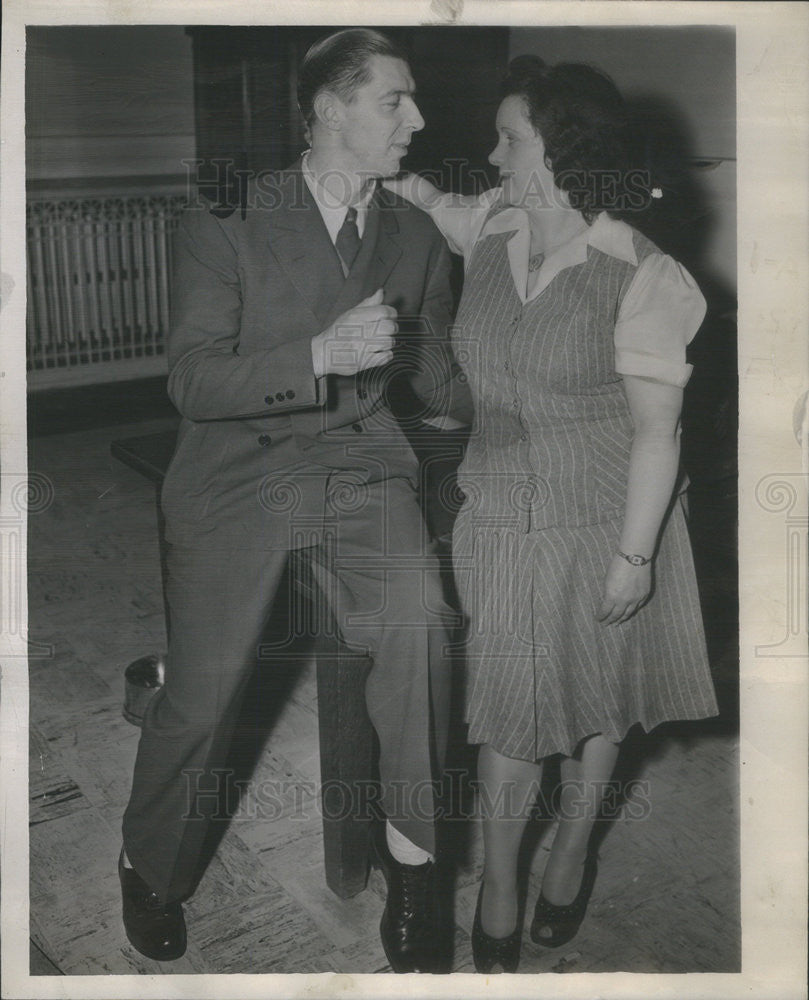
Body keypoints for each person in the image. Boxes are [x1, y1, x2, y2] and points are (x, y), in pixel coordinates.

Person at [118, 28, 471, 974]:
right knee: (206, 696)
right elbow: (193, 382)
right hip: (237, 465)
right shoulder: (229, 215)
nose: (418, 119)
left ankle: (415, 864)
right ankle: (148, 861)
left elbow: (438, 374)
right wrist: (316, 356)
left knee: (423, 630)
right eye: (394, 100)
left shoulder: (417, 234)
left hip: (359, 463)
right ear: (327, 108)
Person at [385, 55, 719, 972]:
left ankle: (570, 854)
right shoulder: (492, 225)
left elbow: (659, 433)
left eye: (509, 139)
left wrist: (636, 556)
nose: (490, 155)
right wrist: (366, 151)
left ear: (560, 151)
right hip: (495, 512)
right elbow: (424, 196)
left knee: (595, 700)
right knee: (508, 714)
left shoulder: (644, 274)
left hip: (605, 521)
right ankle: (499, 882)